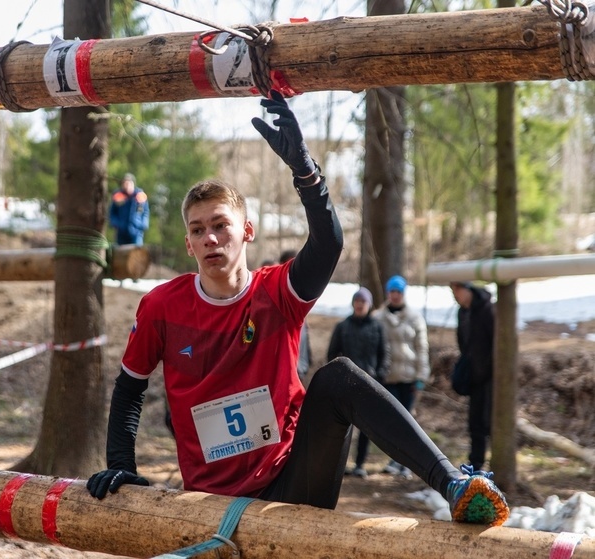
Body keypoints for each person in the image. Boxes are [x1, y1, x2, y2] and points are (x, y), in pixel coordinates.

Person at [87, 90, 509, 526]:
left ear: (246, 231)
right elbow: (129, 389)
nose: (210, 238)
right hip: (208, 503)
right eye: (198, 230)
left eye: (220, 225)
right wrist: (122, 463)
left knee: (339, 376)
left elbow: (328, 244)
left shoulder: (276, 292)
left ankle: (453, 483)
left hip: (294, 482)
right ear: (188, 243)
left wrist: (305, 171)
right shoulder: (161, 305)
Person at [326, 286, 389, 478]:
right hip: (346, 384)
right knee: (343, 426)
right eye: (357, 301)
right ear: (353, 303)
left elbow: (384, 354)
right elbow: (332, 354)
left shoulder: (377, 327)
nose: (360, 305)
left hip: (369, 384)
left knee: (366, 428)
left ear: (369, 305)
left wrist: (380, 375)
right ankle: (339, 464)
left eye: (364, 302)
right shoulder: (342, 326)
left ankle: (360, 463)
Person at [373, 275, 430, 479]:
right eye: (392, 292)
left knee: (409, 422)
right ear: (388, 293)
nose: (395, 296)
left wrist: (422, 375)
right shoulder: (378, 318)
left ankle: (408, 462)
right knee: (392, 421)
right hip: (388, 378)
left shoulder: (415, 318)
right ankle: (393, 459)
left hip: (409, 377)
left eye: (399, 292)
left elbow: (422, 347)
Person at [450, 281, 495, 472]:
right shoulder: (462, 312)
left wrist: (488, 368)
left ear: (466, 289)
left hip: (490, 376)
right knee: (475, 422)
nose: (455, 296)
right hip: (473, 376)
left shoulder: (488, 310)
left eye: (457, 291)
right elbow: (463, 341)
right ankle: (476, 463)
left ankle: (492, 462)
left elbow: (496, 343)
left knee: (488, 421)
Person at [279, 249, 312, 382]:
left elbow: (304, 343)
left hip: (297, 374)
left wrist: (302, 368)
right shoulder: (272, 301)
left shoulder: (302, 299)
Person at [109, 173, 150, 246]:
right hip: (121, 233)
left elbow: (145, 212)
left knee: (136, 254)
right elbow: (112, 212)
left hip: (136, 233)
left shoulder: (140, 196)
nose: (127, 186)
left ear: (133, 184)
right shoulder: (118, 196)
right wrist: (116, 224)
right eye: (125, 183)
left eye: (129, 183)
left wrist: (143, 224)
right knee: (121, 254)